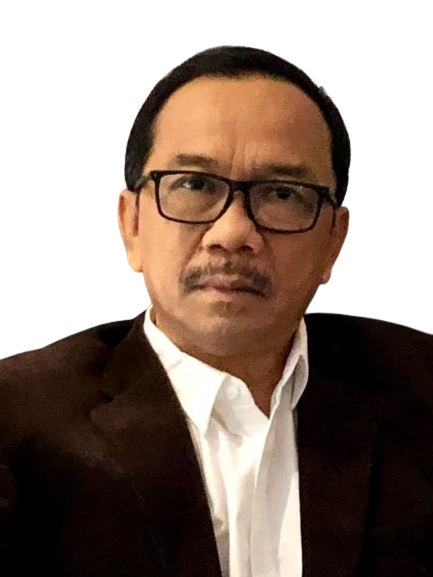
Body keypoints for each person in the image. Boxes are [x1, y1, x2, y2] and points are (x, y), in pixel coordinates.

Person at [0, 46, 432, 577]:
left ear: (333, 243)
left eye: (282, 193)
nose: (232, 233)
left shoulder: (420, 391)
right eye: (195, 185)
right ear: (132, 224)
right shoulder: (16, 424)